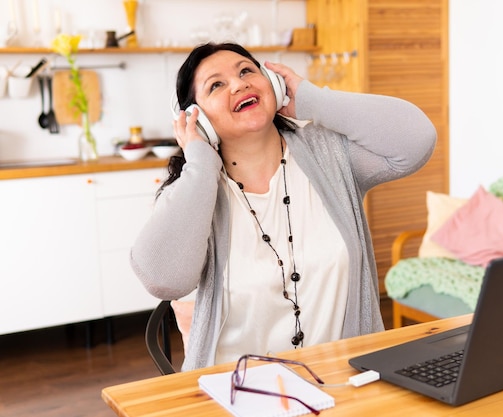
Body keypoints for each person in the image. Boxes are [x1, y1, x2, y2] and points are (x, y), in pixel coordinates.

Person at [131, 42, 437, 371]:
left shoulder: (328, 156)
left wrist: (314, 100)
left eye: (247, 71)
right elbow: (163, 280)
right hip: (236, 394)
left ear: (274, 85)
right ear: (196, 119)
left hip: (344, 386)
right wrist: (202, 165)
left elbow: (416, 139)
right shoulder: (196, 190)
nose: (239, 84)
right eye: (216, 84)